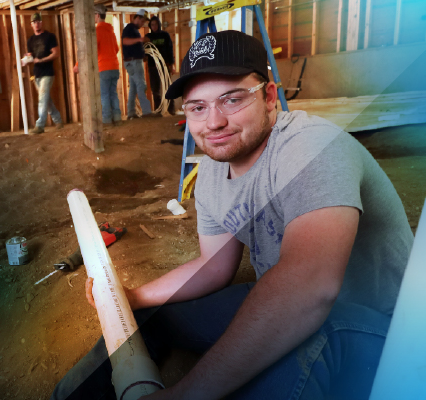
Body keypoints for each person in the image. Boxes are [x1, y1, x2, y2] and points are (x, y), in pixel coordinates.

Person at [52, 30, 411, 400]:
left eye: (232, 99)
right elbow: (214, 266)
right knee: (149, 319)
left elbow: (309, 286)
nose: (214, 122)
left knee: (301, 331)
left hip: (384, 331)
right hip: (300, 300)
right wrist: (133, 297)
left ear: (269, 97)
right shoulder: (212, 169)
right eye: (197, 107)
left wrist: (186, 394)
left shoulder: (313, 146)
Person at [26, 13, 62, 134]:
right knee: (46, 99)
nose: (36, 24)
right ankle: (58, 120)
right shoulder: (30, 40)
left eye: (38, 21)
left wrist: (41, 60)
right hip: (37, 74)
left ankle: (40, 125)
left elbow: (56, 53)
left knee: (42, 98)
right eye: (34, 22)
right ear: (31, 25)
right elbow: (30, 55)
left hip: (47, 73)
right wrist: (26, 59)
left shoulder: (49, 37)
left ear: (42, 22)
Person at [121, 11, 154, 118]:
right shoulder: (129, 28)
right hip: (133, 62)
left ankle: (131, 113)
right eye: (142, 21)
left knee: (134, 88)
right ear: (138, 18)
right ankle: (146, 112)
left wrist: (142, 54)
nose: (142, 24)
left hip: (132, 62)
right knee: (141, 85)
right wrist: (140, 39)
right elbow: (125, 41)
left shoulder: (133, 30)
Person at [97, 7, 121, 125]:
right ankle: (117, 118)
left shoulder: (97, 31)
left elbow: (93, 50)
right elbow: (116, 49)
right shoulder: (110, 31)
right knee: (113, 93)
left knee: (104, 95)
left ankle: (106, 121)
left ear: (97, 15)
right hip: (115, 67)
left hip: (103, 68)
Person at [144, 16, 175, 111]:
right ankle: (158, 110)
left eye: (155, 24)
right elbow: (144, 51)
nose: (154, 26)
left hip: (164, 65)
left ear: (159, 25)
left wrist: (172, 64)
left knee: (168, 88)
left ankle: (171, 109)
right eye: (152, 25)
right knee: (155, 89)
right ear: (150, 26)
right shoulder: (148, 37)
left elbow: (170, 50)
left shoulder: (165, 35)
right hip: (153, 66)